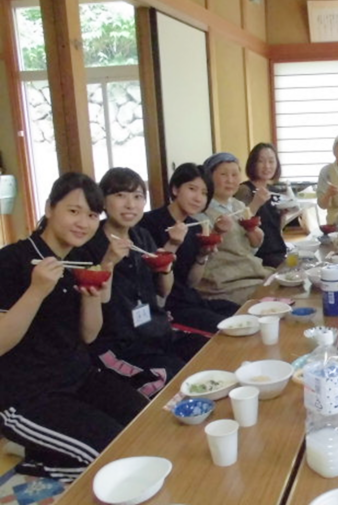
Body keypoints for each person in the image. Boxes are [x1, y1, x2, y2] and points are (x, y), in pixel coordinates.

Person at [0, 173, 147, 482]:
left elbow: (88, 335)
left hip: (79, 377)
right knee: (108, 460)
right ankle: (37, 460)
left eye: (92, 215)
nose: (84, 222)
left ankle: (42, 451)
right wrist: (37, 291)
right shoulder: (13, 261)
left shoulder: (79, 261)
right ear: (50, 208)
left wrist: (93, 295)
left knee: (144, 425)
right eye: (73, 211)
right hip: (25, 396)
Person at [81, 168, 208, 398]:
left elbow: (163, 292)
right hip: (118, 343)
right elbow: (94, 303)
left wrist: (165, 267)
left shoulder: (142, 237)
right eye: (120, 195)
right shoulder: (90, 243)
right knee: (175, 378)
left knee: (207, 352)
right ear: (102, 201)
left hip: (155, 331)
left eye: (138, 197)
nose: (130, 204)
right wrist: (108, 261)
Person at [139, 163, 238, 334]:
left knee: (242, 312)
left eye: (204, 193)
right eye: (192, 189)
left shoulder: (195, 226)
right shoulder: (149, 224)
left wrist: (202, 255)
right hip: (168, 308)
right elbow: (156, 288)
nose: (199, 198)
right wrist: (173, 245)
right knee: (228, 328)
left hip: (190, 299)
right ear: (176, 189)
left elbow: (191, 282)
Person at [197, 152, 273, 306]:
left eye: (235, 174)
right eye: (223, 174)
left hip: (250, 272)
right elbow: (202, 253)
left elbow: (252, 247)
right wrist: (217, 232)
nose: (230, 180)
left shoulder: (238, 205)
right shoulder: (201, 211)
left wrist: (253, 232)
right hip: (224, 283)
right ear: (208, 178)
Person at [235, 143, 292, 268]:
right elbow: (237, 223)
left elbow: (274, 229)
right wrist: (256, 203)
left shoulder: (273, 190)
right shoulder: (245, 190)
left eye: (271, 161)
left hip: (277, 251)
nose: (267, 166)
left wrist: (283, 215)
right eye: (261, 161)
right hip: (257, 256)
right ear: (253, 164)